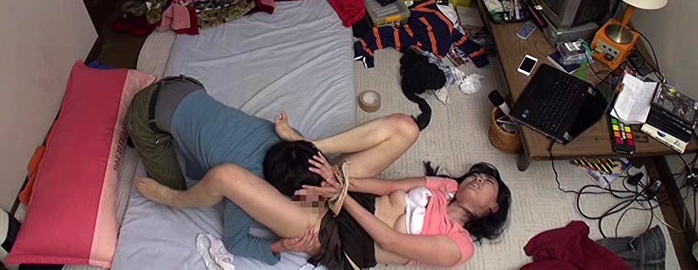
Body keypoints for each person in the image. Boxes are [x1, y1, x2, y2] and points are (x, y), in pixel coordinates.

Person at [135, 115, 512, 269]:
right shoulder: (446, 188)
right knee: (405, 127)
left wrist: (338, 196)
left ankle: (173, 199)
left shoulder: (458, 247)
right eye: (479, 175)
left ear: (490, 210)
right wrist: (340, 179)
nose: (478, 179)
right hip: (346, 196)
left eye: (487, 184)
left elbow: (390, 241)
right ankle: (311, 144)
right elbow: (389, 187)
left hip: (337, 238)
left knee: (225, 177)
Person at [125, 75, 419, 265]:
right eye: (312, 196)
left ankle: (190, 148)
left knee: (405, 128)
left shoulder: (293, 146)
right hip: (146, 113)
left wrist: (310, 145)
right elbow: (236, 241)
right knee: (177, 186)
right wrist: (279, 247)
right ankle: (166, 166)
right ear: (283, 192)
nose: (324, 194)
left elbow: (401, 129)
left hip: (186, 86)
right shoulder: (248, 181)